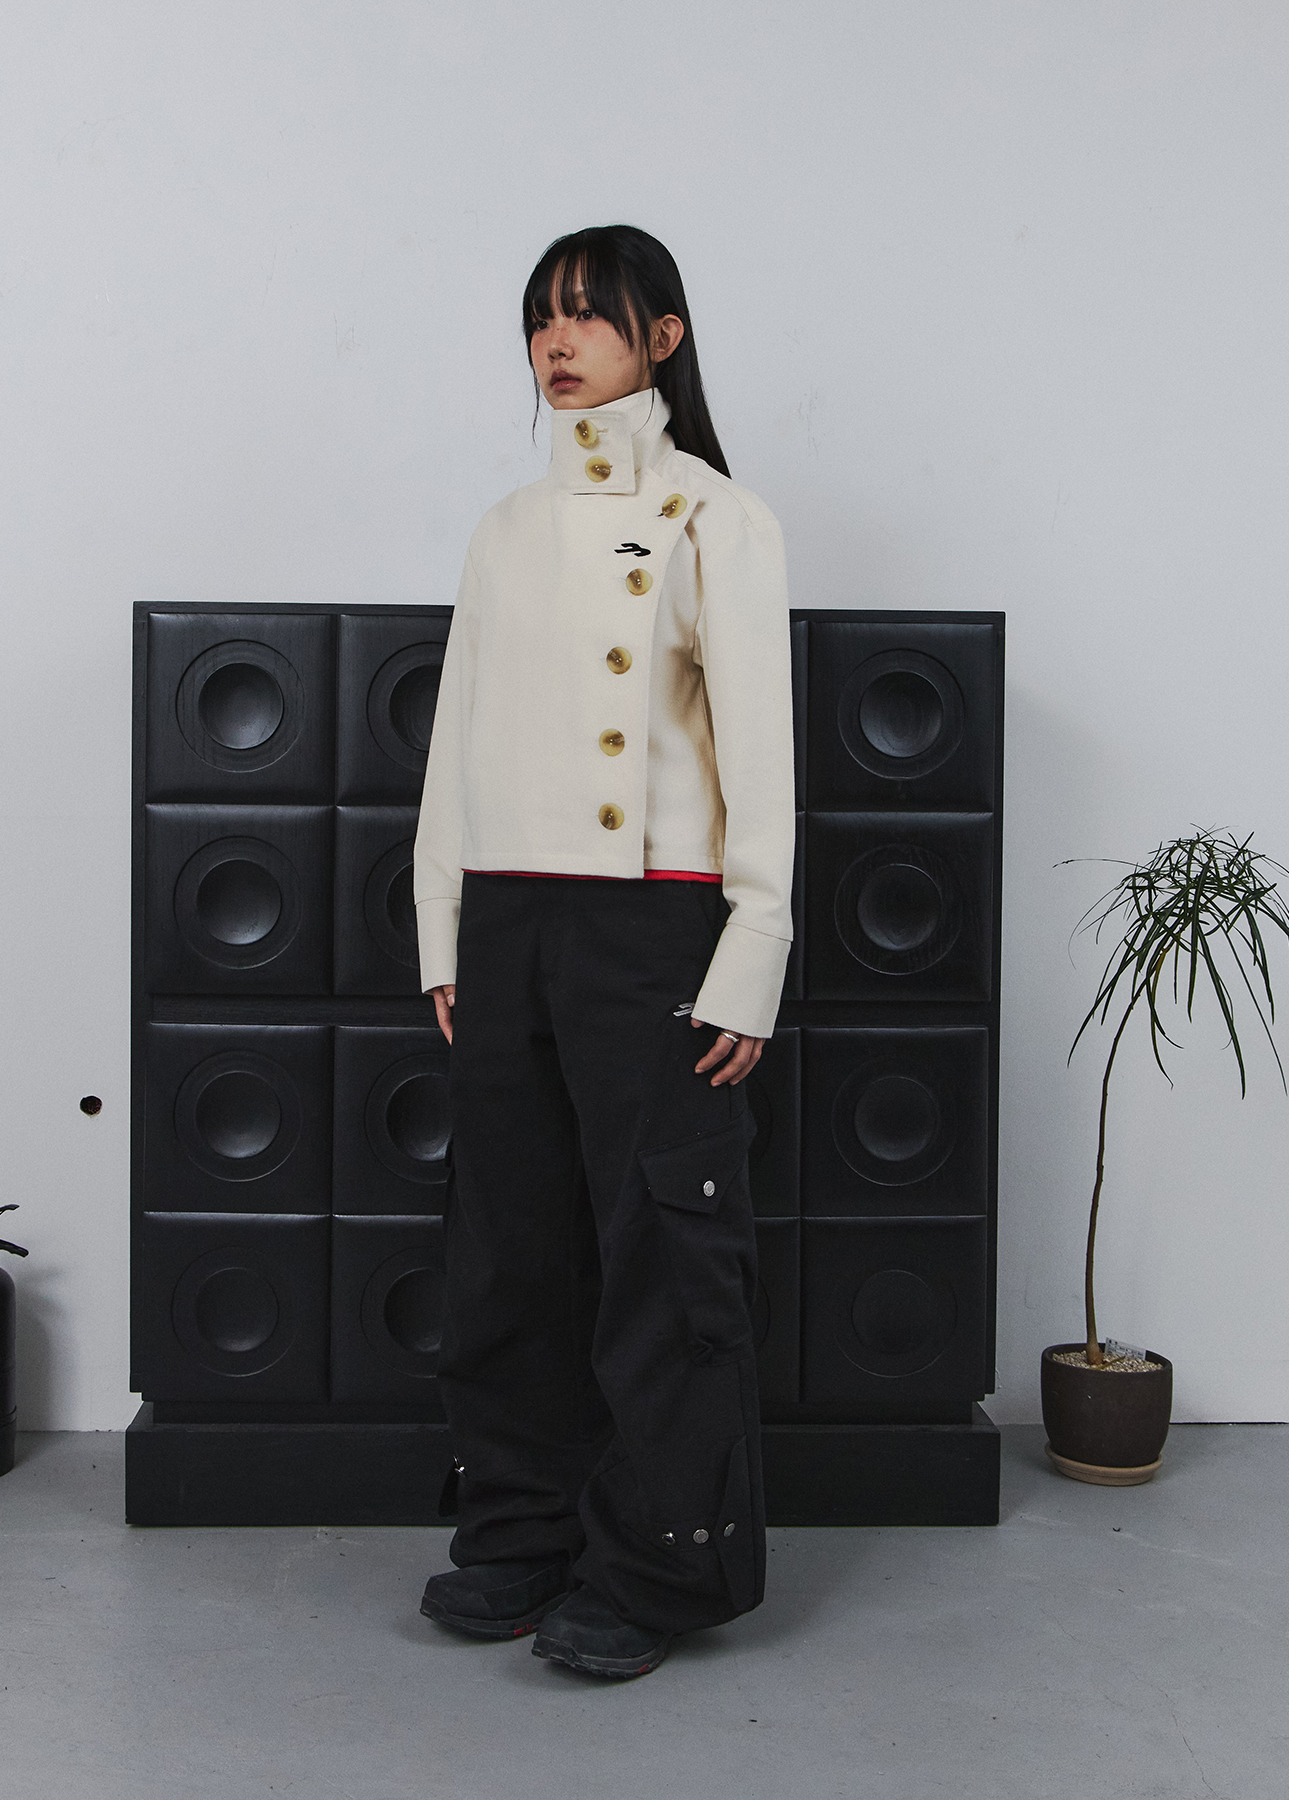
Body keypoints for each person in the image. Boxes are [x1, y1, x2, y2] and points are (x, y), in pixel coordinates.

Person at [412, 223, 794, 1680]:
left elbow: (761, 754)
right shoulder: (504, 528)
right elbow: (456, 744)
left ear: (664, 337)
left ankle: (661, 1565)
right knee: (507, 1248)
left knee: (663, 1249)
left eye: (587, 316)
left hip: (657, 916)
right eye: (540, 319)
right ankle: (521, 1531)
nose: (556, 344)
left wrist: (752, 946)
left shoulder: (718, 520)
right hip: (509, 916)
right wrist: (444, 935)